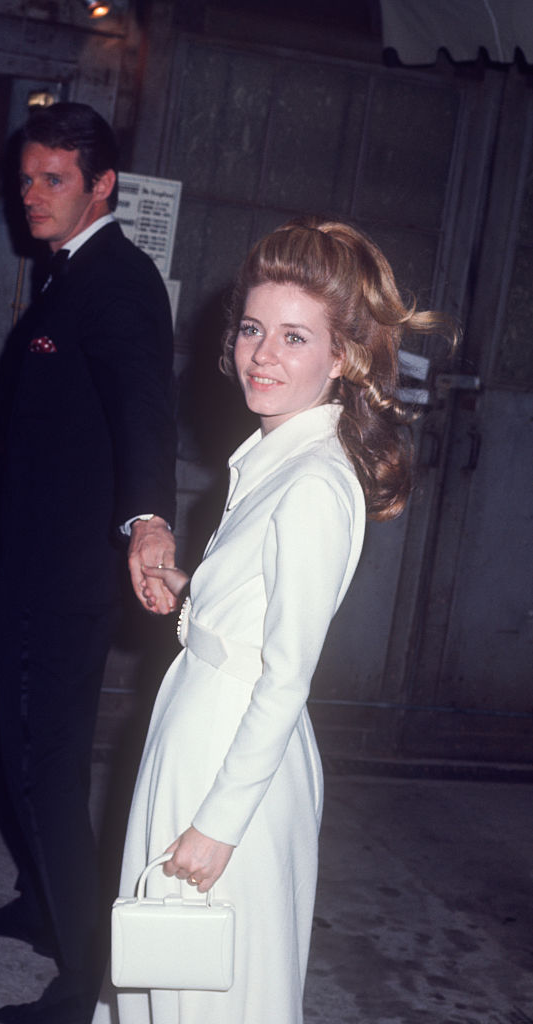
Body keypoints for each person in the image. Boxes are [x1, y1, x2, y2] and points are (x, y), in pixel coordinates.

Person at [92, 218, 457, 1024]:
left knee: (209, 992)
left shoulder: (316, 484)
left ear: (343, 357)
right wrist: (191, 592)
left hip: (233, 761)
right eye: (254, 329)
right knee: (164, 978)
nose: (263, 354)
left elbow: (287, 672)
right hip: (200, 729)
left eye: (295, 337)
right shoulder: (274, 455)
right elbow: (257, 616)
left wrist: (219, 825)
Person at [0, 102, 177, 1024]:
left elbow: (145, 417)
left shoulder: (119, 282)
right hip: (28, 562)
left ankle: (84, 975)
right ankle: (43, 907)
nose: (32, 196)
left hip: (66, 579)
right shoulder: (65, 277)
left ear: (102, 187)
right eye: (26, 177)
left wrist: (148, 523)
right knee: (11, 749)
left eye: (54, 180)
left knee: (45, 759)